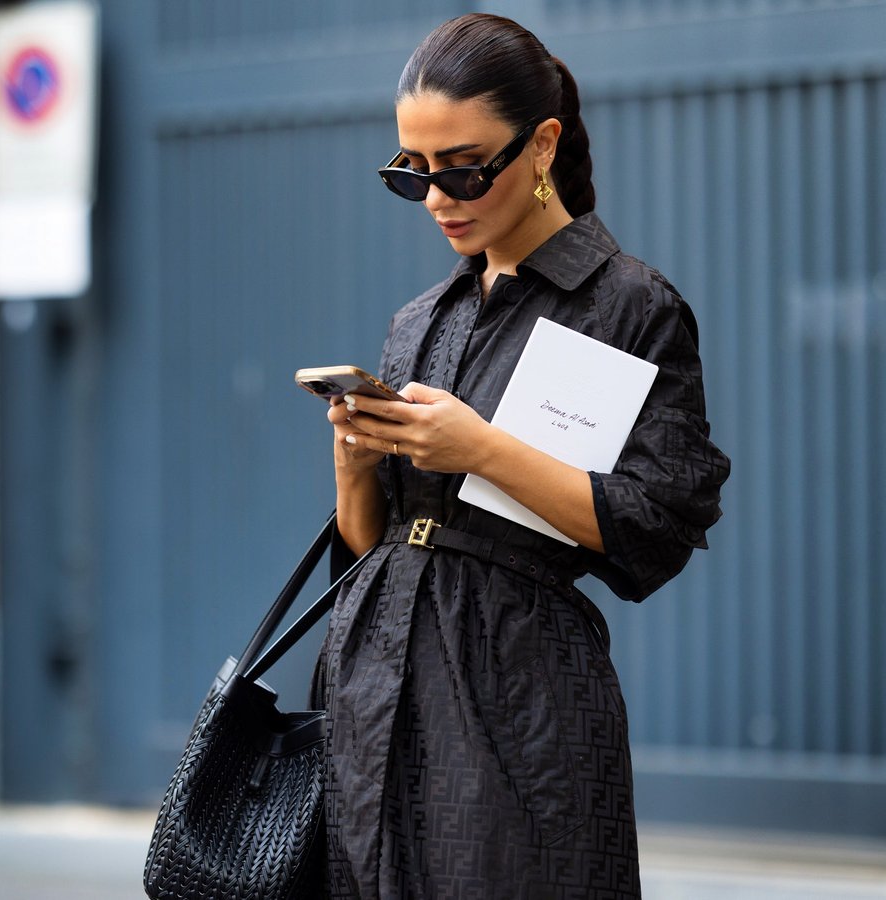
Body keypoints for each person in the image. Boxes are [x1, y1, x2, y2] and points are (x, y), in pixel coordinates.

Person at [311, 13, 732, 898]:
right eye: (411, 173)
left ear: (541, 145)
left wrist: (483, 449)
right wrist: (355, 463)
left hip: (518, 692)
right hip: (375, 681)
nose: (438, 197)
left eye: (463, 167)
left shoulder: (628, 307)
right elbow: (369, 547)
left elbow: (653, 530)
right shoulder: (420, 318)